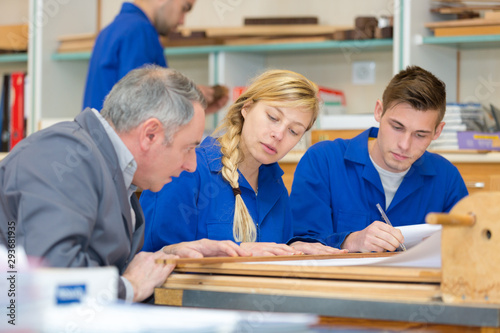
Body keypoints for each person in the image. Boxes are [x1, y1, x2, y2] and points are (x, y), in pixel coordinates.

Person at [0, 66, 249, 303]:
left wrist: (165, 258)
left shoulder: (111, 169)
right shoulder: (62, 157)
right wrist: (131, 286)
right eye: (189, 148)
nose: (192, 165)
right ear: (150, 134)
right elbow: (50, 278)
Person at [140, 69, 347, 256]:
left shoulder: (276, 189)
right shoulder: (185, 170)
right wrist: (234, 254)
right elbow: (150, 260)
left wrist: (291, 249)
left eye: (294, 131)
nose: (278, 134)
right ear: (246, 108)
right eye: (273, 117)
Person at [289, 66, 468, 253]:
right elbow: (299, 245)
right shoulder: (323, 160)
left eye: (420, 135)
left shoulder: (447, 178)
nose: (404, 145)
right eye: (397, 127)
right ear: (378, 111)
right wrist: (350, 241)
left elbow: (466, 250)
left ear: (437, 131)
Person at [83, 0, 227, 114]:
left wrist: (190, 106)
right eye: (184, 8)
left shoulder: (113, 29)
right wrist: (186, 98)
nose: (182, 21)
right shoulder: (140, 31)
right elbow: (141, 108)